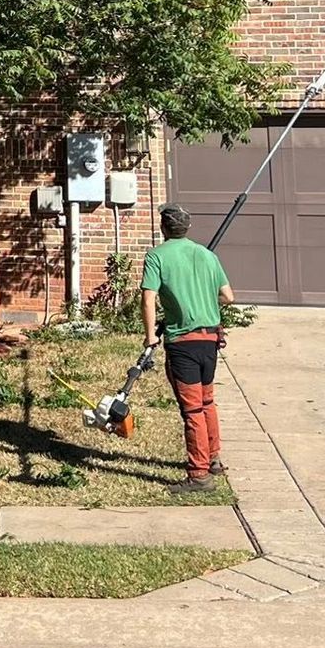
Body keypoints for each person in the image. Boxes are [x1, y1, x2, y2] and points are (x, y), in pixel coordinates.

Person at [140, 203, 234, 493]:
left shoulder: (156, 256)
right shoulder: (207, 255)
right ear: (188, 227)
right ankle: (214, 458)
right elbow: (228, 297)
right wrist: (202, 302)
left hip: (183, 343)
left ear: (163, 228)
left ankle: (198, 474)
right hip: (210, 341)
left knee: (192, 409)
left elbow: (148, 299)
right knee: (207, 402)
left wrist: (150, 337)